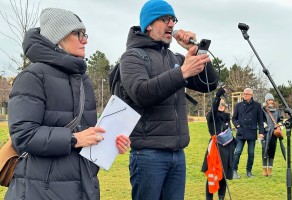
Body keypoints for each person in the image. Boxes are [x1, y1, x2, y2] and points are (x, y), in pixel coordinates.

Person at [5, 8, 130, 200]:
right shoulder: (32, 76)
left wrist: (110, 143)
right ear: (59, 36)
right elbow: (23, 135)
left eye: (85, 34)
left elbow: (85, 133)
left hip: (83, 187)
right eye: (78, 34)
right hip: (40, 190)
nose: (85, 40)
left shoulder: (84, 80)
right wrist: (73, 139)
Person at [120, 0, 218, 199]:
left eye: (173, 19)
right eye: (164, 19)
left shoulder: (174, 58)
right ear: (148, 24)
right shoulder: (132, 57)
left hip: (177, 154)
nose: (171, 24)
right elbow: (141, 93)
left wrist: (197, 51)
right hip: (148, 154)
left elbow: (208, 84)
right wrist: (181, 73)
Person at [202, 87, 236, 200]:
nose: (221, 106)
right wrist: (218, 96)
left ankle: (221, 197)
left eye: (223, 105)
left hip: (227, 150)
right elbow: (213, 109)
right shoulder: (211, 116)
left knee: (224, 175)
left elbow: (229, 132)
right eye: (219, 104)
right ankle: (209, 197)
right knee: (213, 174)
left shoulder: (226, 118)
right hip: (215, 149)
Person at [232, 88, 264, 178]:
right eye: (244, 94)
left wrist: (261, 132)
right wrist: (237, 125)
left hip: (252, 132)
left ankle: (249, 171)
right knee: (237, 151)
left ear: (251, 95)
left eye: (247, 94)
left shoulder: (257, 106)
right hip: (241, 132)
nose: (245, 95)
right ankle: (234, 170)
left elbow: (260, 121)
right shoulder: (238, 105)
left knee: (251, 153)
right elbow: (234, 118)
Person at [261, 93, 283, 176]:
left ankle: (270, 169)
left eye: (271, 100)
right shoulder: (262, 109)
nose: (270, 101)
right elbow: (261, 120)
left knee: (272, 150)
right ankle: (264, 169)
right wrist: (265, 127)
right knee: (264, 150)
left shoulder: (277, 111)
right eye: (269, 100)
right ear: (266, 101)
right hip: (266, 133)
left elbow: (280, 119)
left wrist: (279, 126)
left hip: (274, 133)